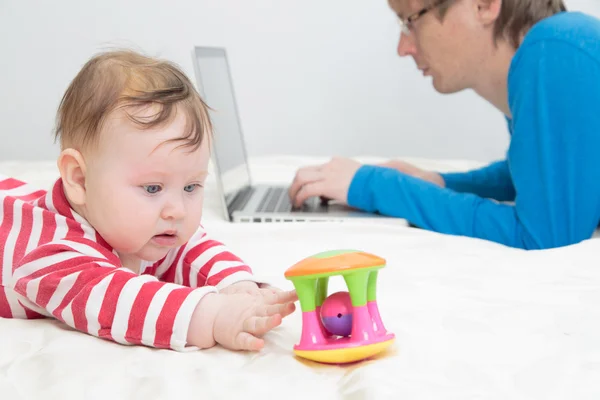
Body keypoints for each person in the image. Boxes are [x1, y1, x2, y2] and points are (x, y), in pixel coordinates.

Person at [0, 50, 297, 352]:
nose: (178, 210)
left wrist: (237, 287)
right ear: (79, 179)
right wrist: (212, 314)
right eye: (153, 188)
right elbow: (118, 300)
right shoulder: (52, 256)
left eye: (191, 186)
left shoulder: (146, 227)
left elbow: (190, 250)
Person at [288, 0, 600, 250]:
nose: (403, 47)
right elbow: (541, 177)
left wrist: (376, 185)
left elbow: (546, 239)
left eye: (410, 19)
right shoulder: (555, 50)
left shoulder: (556, 50)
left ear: (484, 5)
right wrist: (438, 181)